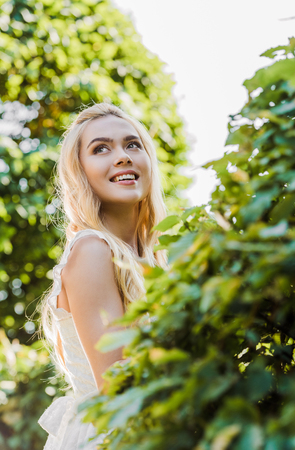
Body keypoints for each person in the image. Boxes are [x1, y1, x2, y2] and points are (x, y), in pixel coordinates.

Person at [37, 102, 167, 449]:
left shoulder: (161, 259)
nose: (122, 156)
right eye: (100, 149)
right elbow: (122, 393)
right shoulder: (93, 250)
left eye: (132, 144)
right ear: (81, 172)